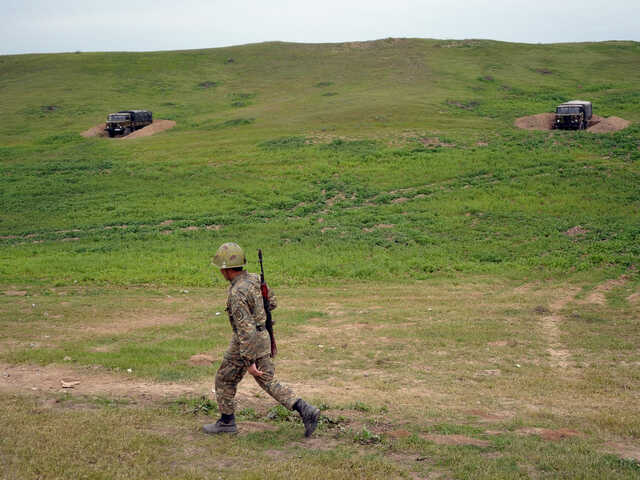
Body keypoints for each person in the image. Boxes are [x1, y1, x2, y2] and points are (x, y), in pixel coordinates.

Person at [203, 242, 320, 437]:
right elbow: (271, 302)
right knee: (252, 378)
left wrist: (249, 361)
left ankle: (227, 423)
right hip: (262, 335)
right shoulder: (255, 279)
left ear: (225, 269)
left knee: (236, 378)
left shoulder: (236, 292)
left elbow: (245, 330)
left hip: (248, 341)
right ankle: (304, 409)